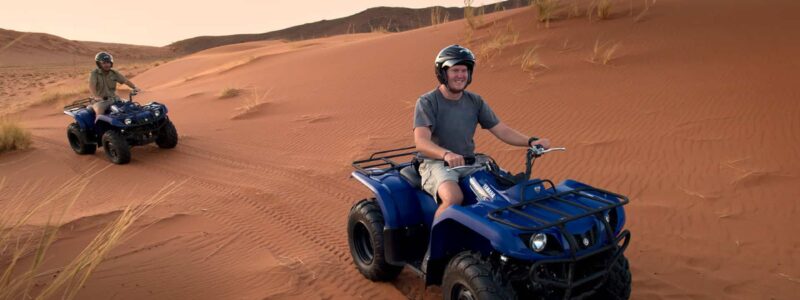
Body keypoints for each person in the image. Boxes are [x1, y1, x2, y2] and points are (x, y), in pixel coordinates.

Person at [413, 44, 551, 219]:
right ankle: (437, 236)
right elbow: (421, 142)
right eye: (455, 70)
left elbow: (502, 130)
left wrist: (531, 141)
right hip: (436, 163)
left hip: (469, 162)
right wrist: (446, 154)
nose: (460, 75)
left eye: (464, 70)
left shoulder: (475, 101)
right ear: (443, 73)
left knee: (504, 189)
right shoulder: (427, 102)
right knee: (453, 198)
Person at [88, 52, 139, 119]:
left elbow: (125, 81)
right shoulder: (94, 73)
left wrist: (134, 87)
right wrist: (96, 97)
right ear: (99, 64)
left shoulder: (114, 73)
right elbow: (92, 86)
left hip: (114, 99)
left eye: (108, 62)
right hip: (100, 101)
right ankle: (98, 125)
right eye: (104, 63)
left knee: (130, 106)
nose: (107, 65)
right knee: (100, 113)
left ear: (111, 63)